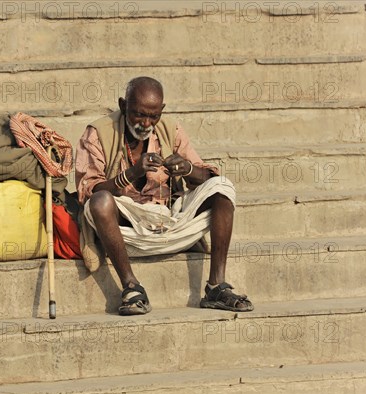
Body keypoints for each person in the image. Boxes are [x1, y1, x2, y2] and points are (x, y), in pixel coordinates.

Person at [75, 76, 253, 315]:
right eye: (139, 114)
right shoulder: (98, 133)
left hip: (170, 224)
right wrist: (132, 173)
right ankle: (131, 288)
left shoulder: (170, 130)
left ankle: (216, 287)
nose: (146, 123)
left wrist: (188, 169)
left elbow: (206, 176)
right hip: (124, 231)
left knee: (222, 187)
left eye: (153, 116)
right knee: (99, 201)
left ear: (162, 111)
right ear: (123, 105)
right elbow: (89, 190)